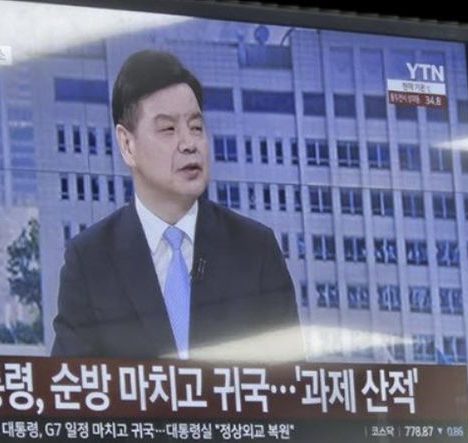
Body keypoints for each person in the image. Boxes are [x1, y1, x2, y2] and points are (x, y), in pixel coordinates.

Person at [51, 50, 304, 362]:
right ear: (127, 144)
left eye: (196, 127)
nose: (189, 143)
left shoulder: (255, 249)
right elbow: (71, 384)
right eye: (168, 129)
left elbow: (290, 380)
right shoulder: (90, 261)